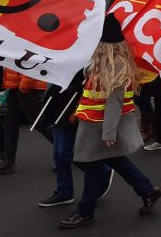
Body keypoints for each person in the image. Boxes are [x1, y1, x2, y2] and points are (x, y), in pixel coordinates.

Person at [60, 15, 161, 229]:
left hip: (100, 127)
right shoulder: (106, 61)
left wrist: (109, 133)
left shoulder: (114, 63)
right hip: (95, 124)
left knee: (92, 166)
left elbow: (114, 101)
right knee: (116, 161)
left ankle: (85, 212)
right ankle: (148, 190)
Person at [37, 69, 113, 208]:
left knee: (65, 151)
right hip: (60, 100)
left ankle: (102, 171)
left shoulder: (84, 58)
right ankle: (64, 191)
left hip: (72, 103)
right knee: (59, 154)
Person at [0, 67, 53, 175]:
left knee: (40, 123)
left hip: (28, 87)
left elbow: (32, 62)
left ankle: (67, 152)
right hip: (17, 86)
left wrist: (24, 85)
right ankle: (8, 162)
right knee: (10, 124)